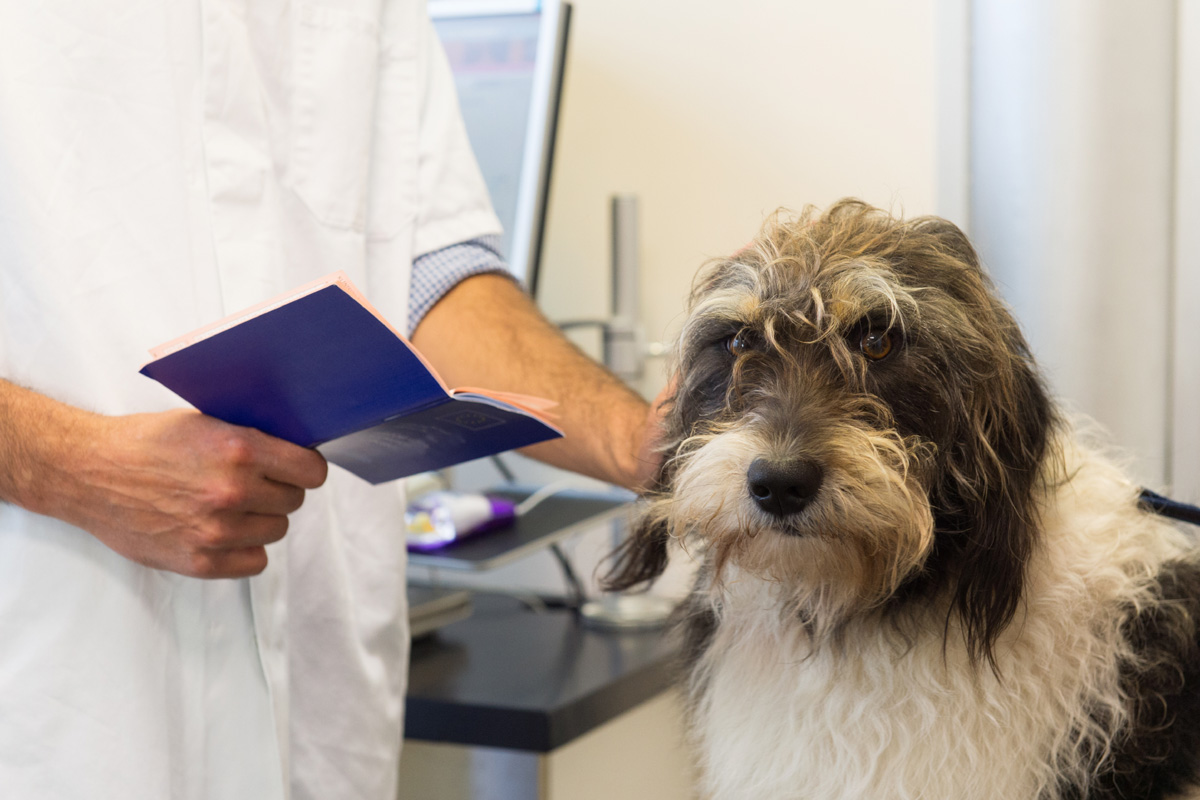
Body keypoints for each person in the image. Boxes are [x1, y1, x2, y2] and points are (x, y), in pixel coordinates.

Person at [0, 2, 657, 799]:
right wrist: (65, 464)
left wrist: (637, 442)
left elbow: (429, 276)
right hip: (55, 686)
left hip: (319, 699)